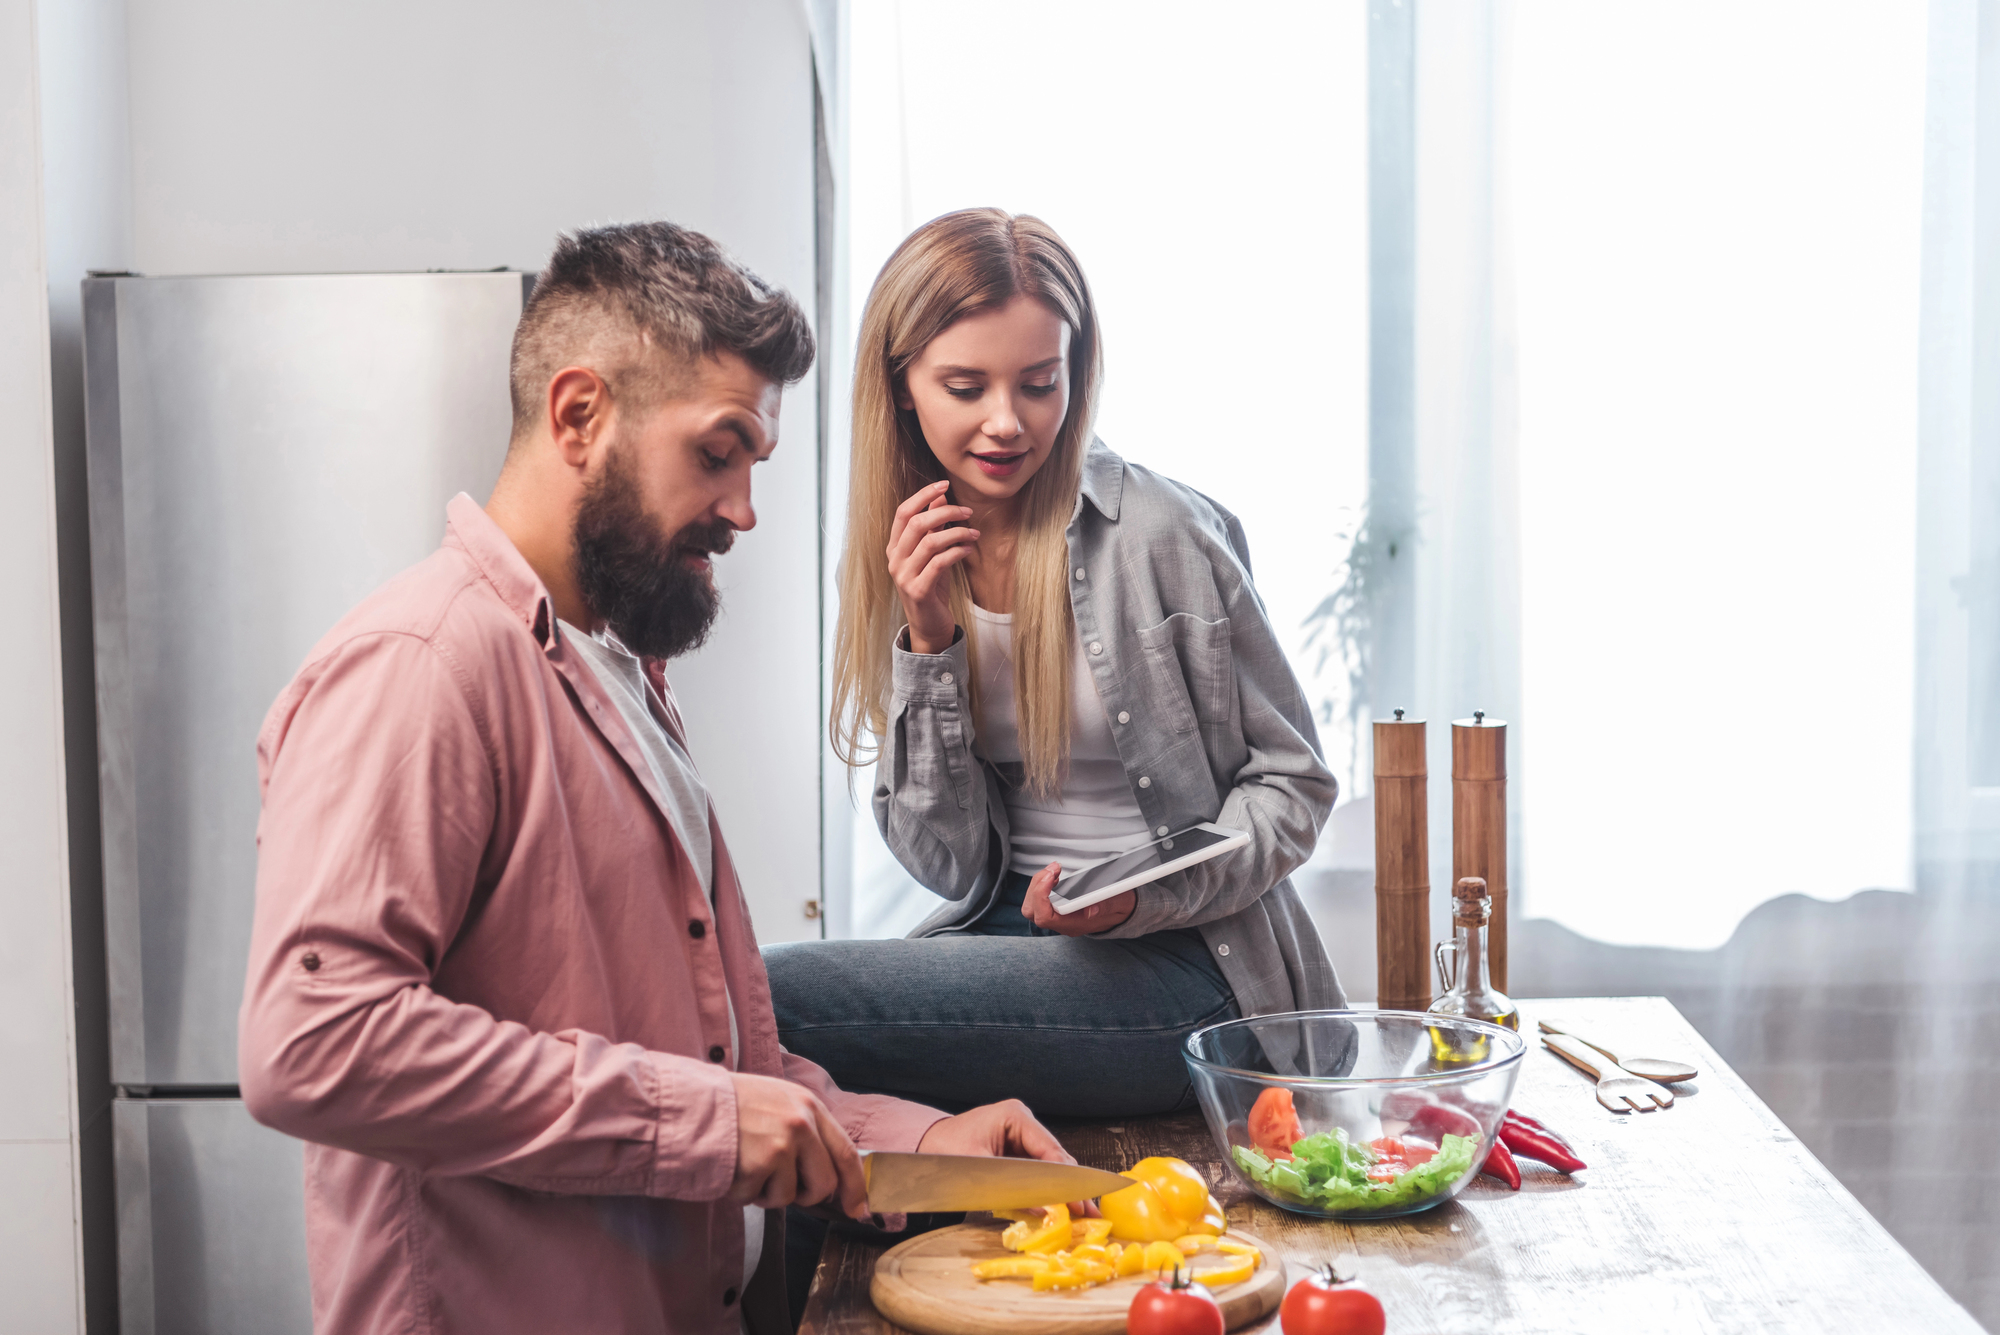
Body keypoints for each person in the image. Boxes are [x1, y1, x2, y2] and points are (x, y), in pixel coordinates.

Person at [238, 221, 1074, 1335]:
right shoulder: (422, 666)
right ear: (579, 415)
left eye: (752, 465)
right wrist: (703, 1122)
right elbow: (314, 1043)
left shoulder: (621, 675)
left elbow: (719, 1074)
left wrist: (910, 1138)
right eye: (716, 452)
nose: (741, 511)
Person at [765, 209, 1344, 1119]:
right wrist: (928, 643)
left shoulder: (1165, 533)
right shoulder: (907, 550)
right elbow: (950, 867)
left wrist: (1140, 898)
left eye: (1040, 383)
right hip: (1007, 939)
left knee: (775, 1002)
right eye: (966, 385)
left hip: (1188, 967)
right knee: (793, 1045)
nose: (1007, 423)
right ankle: (858, 1267)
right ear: (903, 385)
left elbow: (1294, 785)